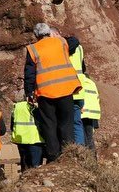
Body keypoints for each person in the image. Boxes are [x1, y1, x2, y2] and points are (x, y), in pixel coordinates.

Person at [24, 23, 82, 163]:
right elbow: (75, 41)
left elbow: (29, 74)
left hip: (45, 93)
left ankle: (53, 157)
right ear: (49, 33)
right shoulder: (61, 42)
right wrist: (57, 37)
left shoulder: (33, 49)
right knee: (66, 124)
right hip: (65, 90)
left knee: (49, 125)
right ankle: (68, 155)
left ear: (36, 35)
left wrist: (29, 92)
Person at [10, 91, 43, 171]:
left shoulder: (16, 107)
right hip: (34, 139)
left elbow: (12, 125)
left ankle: (24, 176)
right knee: (35, 166)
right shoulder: (34, 106)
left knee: (24, 163)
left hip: (20, 139)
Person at [66, 36, 86, 146]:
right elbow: (83, 68)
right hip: (79, 90)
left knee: (65, 123)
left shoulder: (62, 47)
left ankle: (68, 148)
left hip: (67, 89)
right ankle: (79, 149)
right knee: (77, 123)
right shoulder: (79, 48)